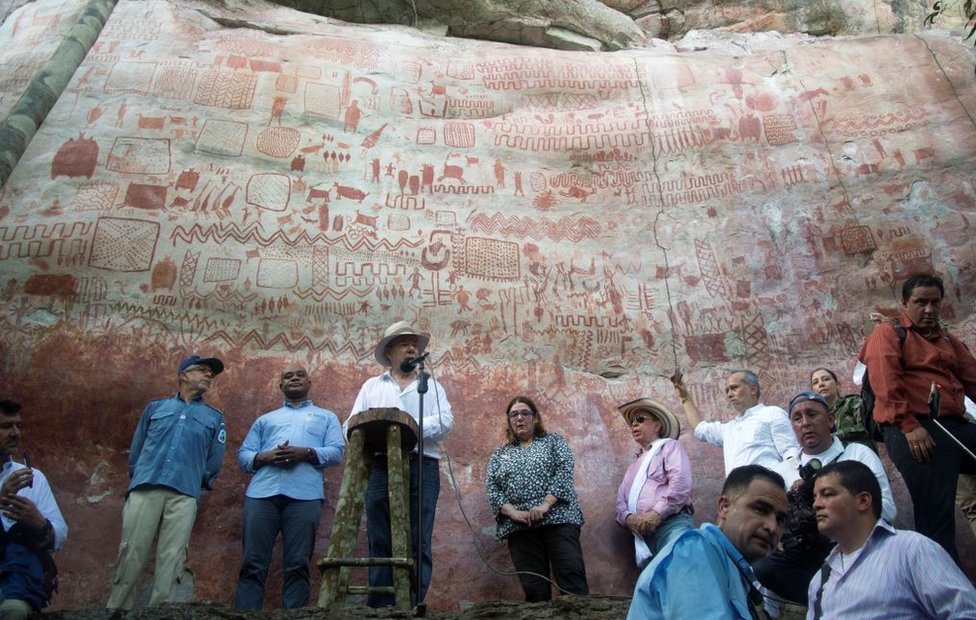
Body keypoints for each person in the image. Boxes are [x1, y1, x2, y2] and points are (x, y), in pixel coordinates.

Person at [859, 273, 976, 560]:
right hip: (913, 427)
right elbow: (886, 382)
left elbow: (973, 378)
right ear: (904, 303)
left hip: (954, 424)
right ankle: (944, 594)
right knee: (936, 515)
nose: (929, 310)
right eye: (920, 302)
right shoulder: (888, 333)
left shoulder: (947, 339)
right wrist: (909, 426)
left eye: (935, 303)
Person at [107, 354, 227, 610]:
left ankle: (161, 612)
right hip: (145, 487)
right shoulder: (156, 408)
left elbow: (214, 461)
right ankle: (117, 609)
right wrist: (139, 475)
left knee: (173, 556)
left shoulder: (214, 417)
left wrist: (197, 480)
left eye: (211, 374)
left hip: (184, 493)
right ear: (184, 375)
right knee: (132, 551)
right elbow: (137, 449)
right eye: (203, 370)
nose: (209, 376)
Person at [754, 391, 895, 606]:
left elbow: (887, 509)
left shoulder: (857, 454)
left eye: (812, 414)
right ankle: (831, 602)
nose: (805, 423)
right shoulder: (785, 471)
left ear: (830, 420)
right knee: (765, 566)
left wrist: (838, 508)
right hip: (806, 554)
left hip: (852, 543)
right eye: (797, 418)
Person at [347, 320, 453, 607]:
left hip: (423, 464)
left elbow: (445, 420)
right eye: (404, 343)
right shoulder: (371, 386)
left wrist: (405, 425)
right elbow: (351, 425)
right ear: (390, 352)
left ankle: (411, 602)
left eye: (414, 344)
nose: (411, 348)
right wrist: (386, 429)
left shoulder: (431, 385)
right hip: (381, 465)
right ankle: (381, 605)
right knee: (381, 534)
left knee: (419, 536)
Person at [234, 364, 345, 609]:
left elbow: (337, 452)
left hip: (305, 497)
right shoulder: (265, 420)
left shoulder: (326, 417)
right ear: (281, 385)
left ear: (309, 384)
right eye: (287, 376)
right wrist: (266, 457)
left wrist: (304, 452)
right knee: (252, 562)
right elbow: (244, 456)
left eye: (300, 375)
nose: (294, 378)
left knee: (297, 564)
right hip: (261, 494)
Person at [807, 460, 976, 619]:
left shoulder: (911, 550)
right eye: (815, 497)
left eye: (827, 494)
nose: (816, 504)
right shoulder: (821, 579)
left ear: (863, 501)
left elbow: (966, 612)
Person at [627, 464, 787, 619]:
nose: (772, 527)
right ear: (724, 507)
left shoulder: (732, 571)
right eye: (760, 510)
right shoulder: (695, 551)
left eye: (780, 519)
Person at [485, 396, 588, 601]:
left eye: (525, 413)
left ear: (535, 418)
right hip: (520, 526)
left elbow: (564, 471)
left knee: (571, 576)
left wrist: (545, 505)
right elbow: (492, 487)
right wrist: (513, 512)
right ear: (509, 421)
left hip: (558, 519)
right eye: (514, 415)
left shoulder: (553, 442)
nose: (520, 418)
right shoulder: (500, 454)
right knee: (534, 589)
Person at [0, 399, 68, 619]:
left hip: (17, 580)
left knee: (14, 611)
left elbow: (60, 532)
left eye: (17, 425)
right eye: (6, 427)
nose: (15, 433)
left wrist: (39, 523)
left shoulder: (32, 477)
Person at [614, 398, 693, 567]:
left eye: (640, 419)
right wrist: (629, 519)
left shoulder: (669, 447)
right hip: (642, 537)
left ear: (657, 426)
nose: (634, 424)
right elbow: (620, 501)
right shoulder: (633, 466)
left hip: (671, 525)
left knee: (680, 572)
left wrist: (657, 514)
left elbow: (681, 483)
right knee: (655, 587)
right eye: (632, 422)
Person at [679, 370, 798, 474]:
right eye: (727, 391)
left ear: (753, 389)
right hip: (736, 494)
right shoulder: (729, 428)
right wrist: (685, 398)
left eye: (734, 388)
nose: (729, 394)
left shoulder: (772, 413)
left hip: (767, 490)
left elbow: (790, 452)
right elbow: (701, 429)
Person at [809, 367, 875, 452]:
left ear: (837, 384)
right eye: (815, 383)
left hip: (861, 455)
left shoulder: (852, 402)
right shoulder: (816, 417)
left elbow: (866, 428)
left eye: (826, 379)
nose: (821, 384)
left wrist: (834, 437)